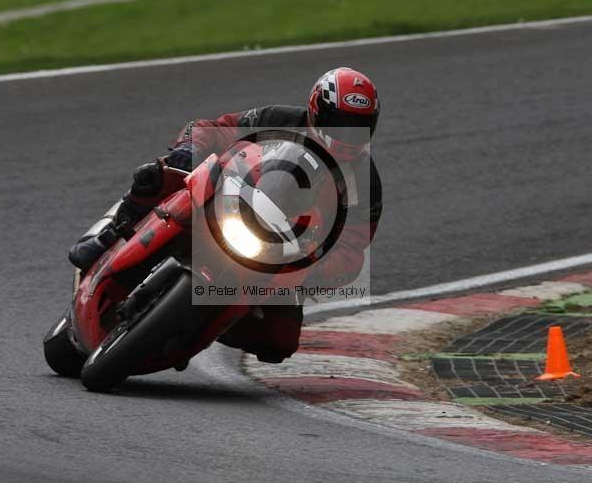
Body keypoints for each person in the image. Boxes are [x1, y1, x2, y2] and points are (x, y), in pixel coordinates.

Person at [69, 67, 382, 362]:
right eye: (338, 123)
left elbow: (352, 251)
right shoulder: (277, 119)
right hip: (229, 199)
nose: (346, 135)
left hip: (284, 251)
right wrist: (188, 148)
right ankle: (107, 236)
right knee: (156, 176)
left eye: (357, 127)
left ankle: (197, 324)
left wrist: (313, 271)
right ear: (316, 110)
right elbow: (211, 128)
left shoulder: (365, 181)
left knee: (280, 342)